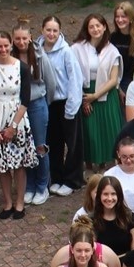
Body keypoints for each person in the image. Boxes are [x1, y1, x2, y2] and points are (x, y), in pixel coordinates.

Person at [0, 31, 36, 220]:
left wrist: (13, 126)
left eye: (6, 45)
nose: (3, 49)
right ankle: (7, 202)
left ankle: (19, 202)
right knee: (2, 164)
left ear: (11, 45)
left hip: (17, 118)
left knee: (19, 164)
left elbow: (25, 99)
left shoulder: (22, 67)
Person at [38, 15, 85, 198]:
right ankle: (56, 177)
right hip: (49, 102)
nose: (51, 34)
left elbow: (75, 79)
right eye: (48, 30)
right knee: (53, 142)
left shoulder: (66, 51)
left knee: (73, 143)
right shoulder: (38, 50)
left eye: (55, 30)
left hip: (67, 101)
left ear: (60, 32)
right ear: (42, 30)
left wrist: (72, 107)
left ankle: (73, 180)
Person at [72, 14, 123, 170]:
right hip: (84, 92)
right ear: (87, 29)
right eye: (91, 26)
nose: (95, 29)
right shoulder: (77, 48)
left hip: (105, 94)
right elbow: (73, 75)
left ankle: (103, 166)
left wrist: (95, 96)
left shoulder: (112, 50)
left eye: (98, 26)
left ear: (104, 27)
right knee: (88, 132)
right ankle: (88, 165)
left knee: (106, 131)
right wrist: (84, 99)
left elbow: (113, 79)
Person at [11, 24, 52, 206]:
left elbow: (50, 81)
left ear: (30, 38)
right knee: (23, 147)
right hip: (18, 106)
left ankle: (42, 185)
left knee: (39, 146)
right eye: (17, 38)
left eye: (24, 38)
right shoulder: (9, 57)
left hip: (36, 104)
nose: (21, 42)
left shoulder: (39, 55)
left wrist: (44, 102)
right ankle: (29, 186)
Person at [78, 174, 134, 256]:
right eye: (105, 194)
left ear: (119, 195)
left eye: (113, 194)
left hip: (126, 264)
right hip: (101, 264)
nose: (109, 198)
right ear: (99, 196)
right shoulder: (91, 220)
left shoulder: (130, 217)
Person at [109, 1, 134, 96]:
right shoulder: (112, 38)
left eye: (123, 16)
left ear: (131, 18)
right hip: (119, 79)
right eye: (117, 17)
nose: (120, 20)